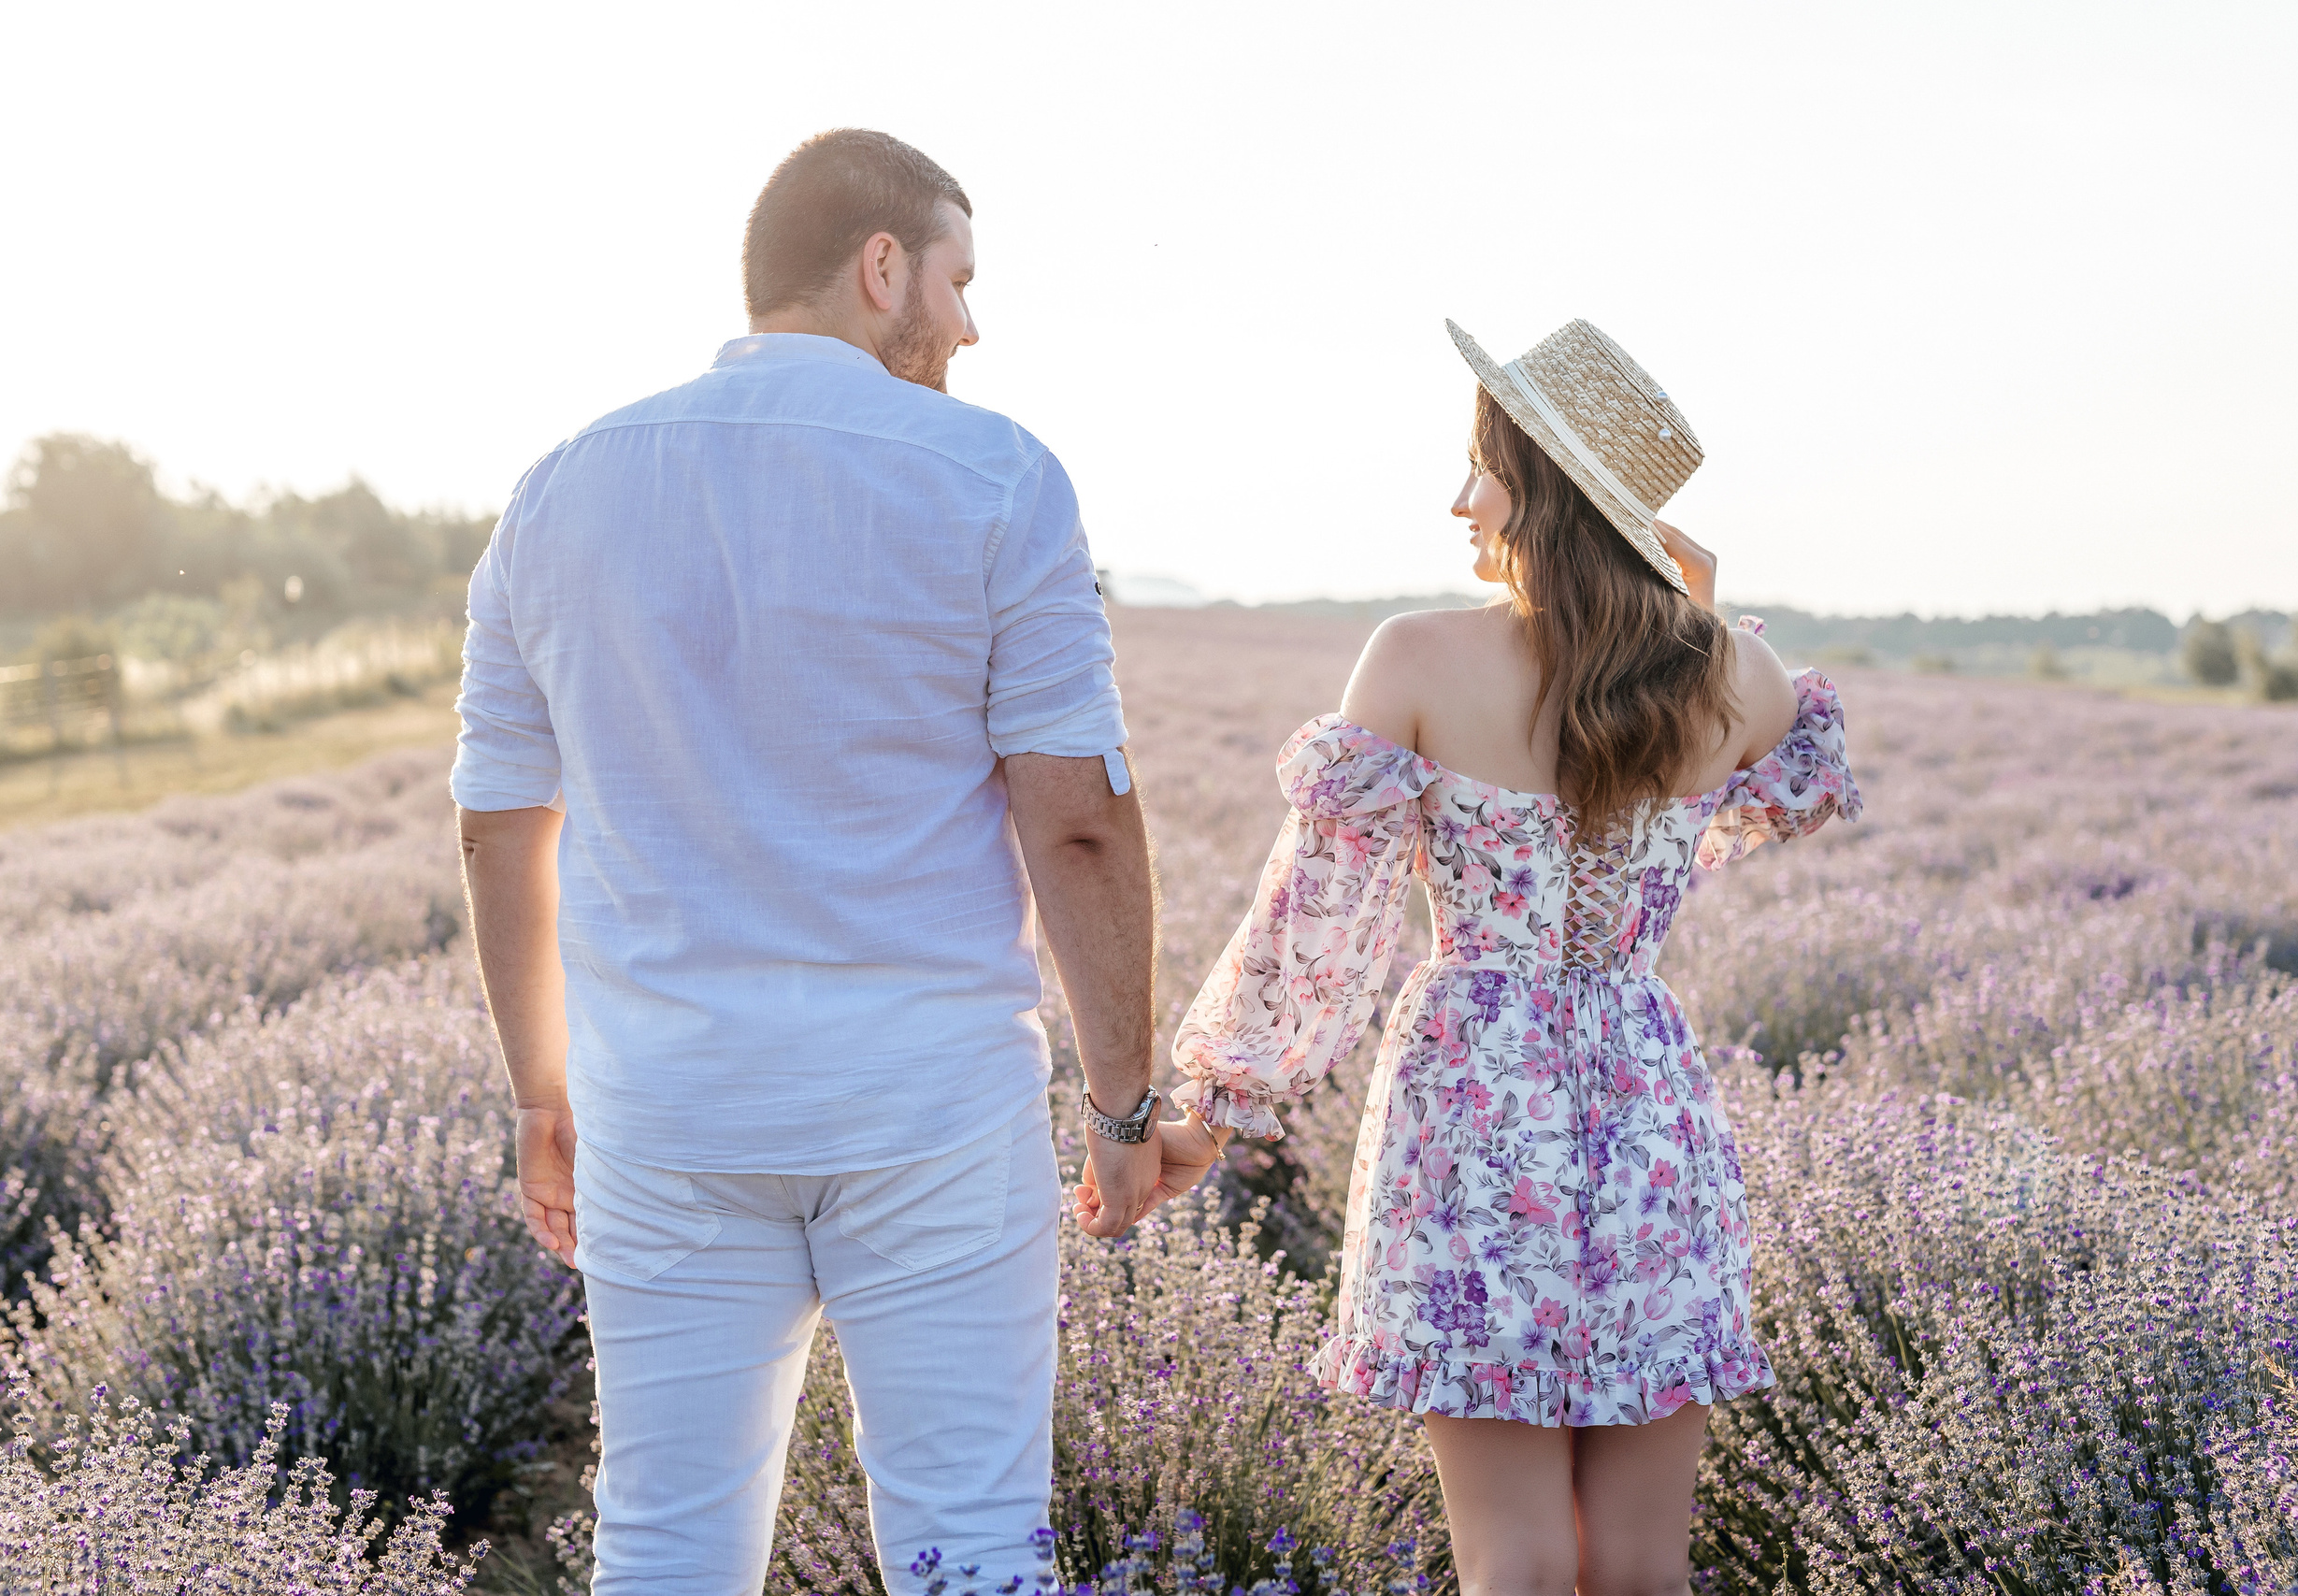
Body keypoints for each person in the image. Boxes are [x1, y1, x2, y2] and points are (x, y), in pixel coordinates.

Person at [452, 129, 1200, 1594]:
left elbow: (500, 827)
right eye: (959, 279)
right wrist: (1126, 1105)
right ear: (880, 270)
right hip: (925, 1102)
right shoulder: (995, 476)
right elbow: (1081, 820)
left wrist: (543, 1092)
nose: (972, 324)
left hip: (664, 1107)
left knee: (668, 1539)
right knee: (968, 1542)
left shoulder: (559, 489)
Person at [1107, 320, 1862, 1596]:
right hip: (1648, 1105)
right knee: (1639, 1566)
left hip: (1470, 1110)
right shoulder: (1739, 676)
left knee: (1507, 1560)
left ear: (1558, 495)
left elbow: (1315, 930)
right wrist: (1703, 617)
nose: (1462, 497)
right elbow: (1777, 790)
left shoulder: (1415, 657)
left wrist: (1212, 1110)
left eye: (1486, 465)